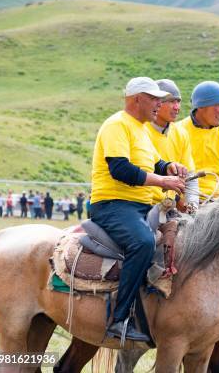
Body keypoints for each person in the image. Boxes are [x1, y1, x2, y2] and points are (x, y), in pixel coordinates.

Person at [90, 77, 187, 342]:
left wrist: (169, 167)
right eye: (154, 98)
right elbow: (121, 169)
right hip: (113, 204)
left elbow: (153, 163)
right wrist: (163, 180)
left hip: (141, 206)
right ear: (136, 99)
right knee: (143, 242)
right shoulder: (116, 125)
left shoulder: (141, 129)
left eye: (161, 99)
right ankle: (119, 319)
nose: (160, 103)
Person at [146, 79, 198, 211]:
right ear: (157, 102)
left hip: (170, 207)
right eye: (171, 101)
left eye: (178, 101)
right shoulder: (140, 130)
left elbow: (190, 176)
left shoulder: (181, 133)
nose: (177, 107)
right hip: (145, 205)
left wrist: (193, 205)